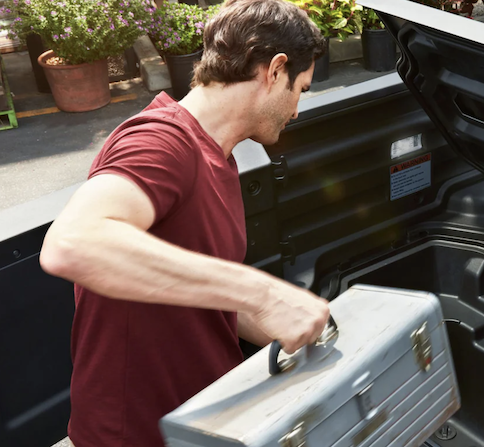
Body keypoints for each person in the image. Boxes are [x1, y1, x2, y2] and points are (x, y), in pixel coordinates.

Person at [38, 0, 330, 445]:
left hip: (202, 418)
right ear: (275, 69)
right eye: (302, 89)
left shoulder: (221, 155)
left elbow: (192, 290)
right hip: (136, 433)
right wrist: (264, 293)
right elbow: (73, 243)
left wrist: (282, 320)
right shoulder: (162, 141)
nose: (297, 109)